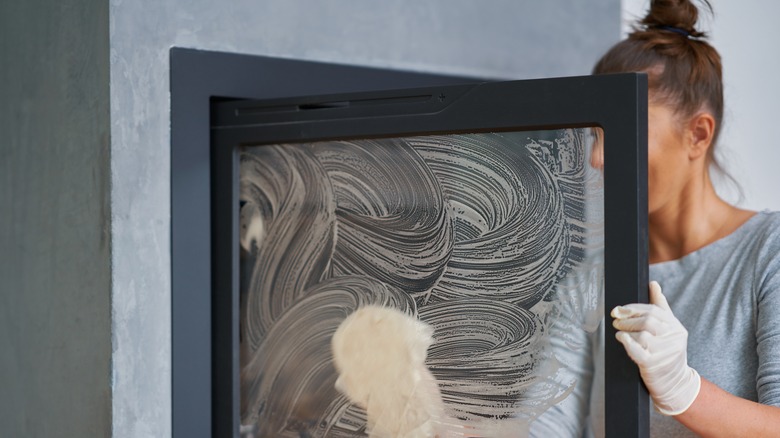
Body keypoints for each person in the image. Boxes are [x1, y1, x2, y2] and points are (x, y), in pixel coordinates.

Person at [591, 0, 780, 436]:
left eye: (620, 132)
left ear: (697, 135)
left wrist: (684, 390)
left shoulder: (767, 254)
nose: (597, 158)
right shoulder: (591, 274)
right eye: (593, 134)